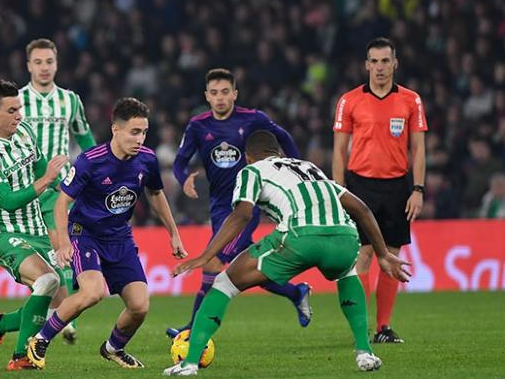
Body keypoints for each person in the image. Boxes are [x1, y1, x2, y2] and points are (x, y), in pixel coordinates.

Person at [163, 130, 411, 376]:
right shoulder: (309, 167)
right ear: (278, 152)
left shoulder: (252, 171)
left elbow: (242, 214)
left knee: (224, 283)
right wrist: (382, 253)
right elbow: (363, 209)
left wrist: (207, 255)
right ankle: (365, 352)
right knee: (347, 274)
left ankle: (190, 363)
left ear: (248, 157)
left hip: (300, 237)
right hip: (345, 238)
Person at [25, 97, 187, 370]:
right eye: (135, 132)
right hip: (84, 233)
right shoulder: (91, 161)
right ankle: (40, 339)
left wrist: (174, 233)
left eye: (144, 132)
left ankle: (113, 348)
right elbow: (62, 202)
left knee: (140, 306)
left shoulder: (147, 160)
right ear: (116, 129)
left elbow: (155, 194)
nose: (140, 138)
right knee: (93, 292)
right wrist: (64, 243)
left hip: (120, 237)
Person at [167, 68, 310, 337]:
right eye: (214, 93)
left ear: (234, 94)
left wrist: (296, 166)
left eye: (225, 92)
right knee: (247, 267)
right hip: (219, 204)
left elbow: (285, 138)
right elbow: (179, 162)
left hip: (246, 203)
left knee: (212, 263)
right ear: (206, 96)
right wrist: (184, 178)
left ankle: (192, 330)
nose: (220, 98)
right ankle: (295, 291)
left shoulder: (253, 118)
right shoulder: (198, 125)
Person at [332, 37, 427, 343]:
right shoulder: (350, 101)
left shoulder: (411, 100)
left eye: (386, 61)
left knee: (392, 256)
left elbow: (419, 149)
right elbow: (338, 152)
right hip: (360, 186)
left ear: (395, 63)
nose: (380, 67)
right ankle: (361, 328)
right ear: (366, 65)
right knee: (363, 255)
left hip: (398, 186)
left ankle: (382, 328)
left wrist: (418, 189)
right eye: (375, 61)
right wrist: (338, 191)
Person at [0, 80, 69, 370]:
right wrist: (46, 181)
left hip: (36, 228)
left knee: (60, 306)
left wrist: (67, 190)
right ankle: (21, 357)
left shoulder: (24, 132)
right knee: (47, 280)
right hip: (4, 231)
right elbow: (6, 200)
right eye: (12, 110)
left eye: (20, 108)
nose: (19, 115)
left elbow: (41, 169)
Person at [18, 38, 97, 343]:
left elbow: (86, 140)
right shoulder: (17, 101)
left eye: (48, 61)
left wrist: (101, 172)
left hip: (60, 187)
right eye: (38, 62)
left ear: (56, 63)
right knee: (44, 260)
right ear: (28, 66)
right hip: (25, 188)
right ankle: (57, 315)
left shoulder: (70, 100)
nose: (44, 67)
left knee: (59, 246)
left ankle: (58, 316)